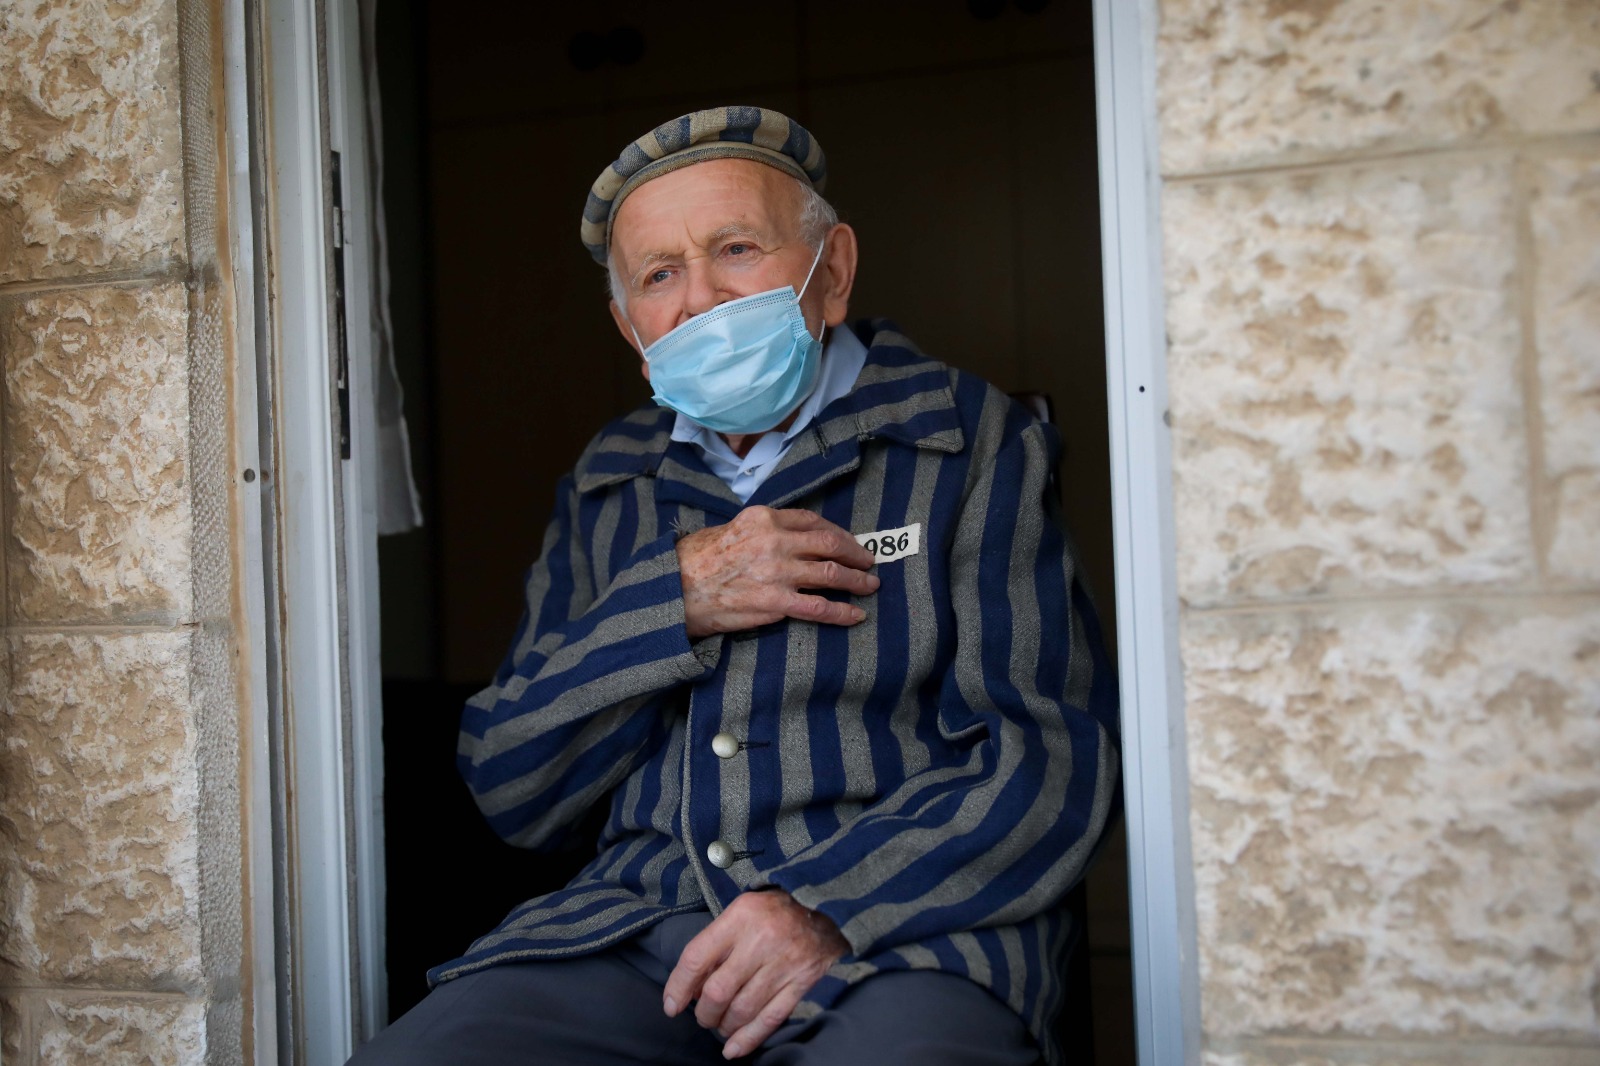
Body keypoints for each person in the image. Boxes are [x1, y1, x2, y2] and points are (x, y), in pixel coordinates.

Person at [349, 106, 1119, 1066]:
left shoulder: (966, 436)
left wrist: (825, 905)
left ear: (832, 270)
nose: (701, 299)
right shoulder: (611, 479)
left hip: (903, 932)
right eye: (659, 275)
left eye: (737, 249)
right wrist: (671, 601)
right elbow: (514, 785)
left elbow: (1050, 757)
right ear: (631, 329)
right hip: (637, 928)